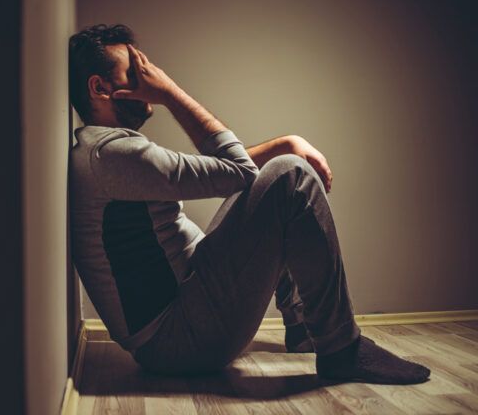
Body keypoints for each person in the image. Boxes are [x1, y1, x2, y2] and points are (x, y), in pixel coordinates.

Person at [68, 23, 431, 385]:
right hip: (176, 341)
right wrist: (170, 92)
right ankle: (342, 349)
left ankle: (303, 327)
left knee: (276, 181)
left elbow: (221, 173)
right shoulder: (113, 155)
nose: (150, 76)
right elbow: (238, 170)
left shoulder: (108, 151)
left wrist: (284, 142)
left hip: (186, 312)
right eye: (134, 71)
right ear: (100, 88)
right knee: (289, 177)